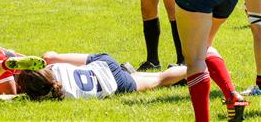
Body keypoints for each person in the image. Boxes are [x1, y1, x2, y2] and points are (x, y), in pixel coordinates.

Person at [17, 51, 186, 101]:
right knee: (157, 78)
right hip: (103, 63)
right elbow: (48, 56)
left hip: (111, 82)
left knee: (160, 81)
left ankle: (194, 68)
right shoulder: (54, 68)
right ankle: (192, 67)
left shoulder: (56, 95)